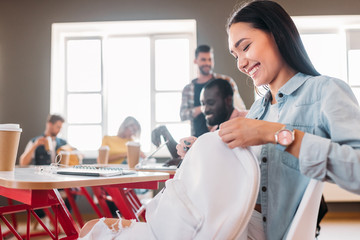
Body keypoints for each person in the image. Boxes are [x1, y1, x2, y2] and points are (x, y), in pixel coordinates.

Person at [80, 1, 360, 239]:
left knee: (98, 231)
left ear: (276, 34)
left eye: (245, 46)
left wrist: (275, 134)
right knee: (92, 225)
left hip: (245, 231)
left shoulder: (325, 91)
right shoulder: (259, 108)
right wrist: (204, 150)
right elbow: (241, 174)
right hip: (226, 222)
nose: (240, 63)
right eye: (235, 54)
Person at [180, 44, 246, 137]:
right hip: (198, 137)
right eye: (203, 59)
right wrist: (205, 107)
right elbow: (183, 115)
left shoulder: (226, 81)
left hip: (223, 134)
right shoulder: (188, 89)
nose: (207, 63)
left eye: (210, 59)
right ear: (195, 61)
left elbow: (239, 107)